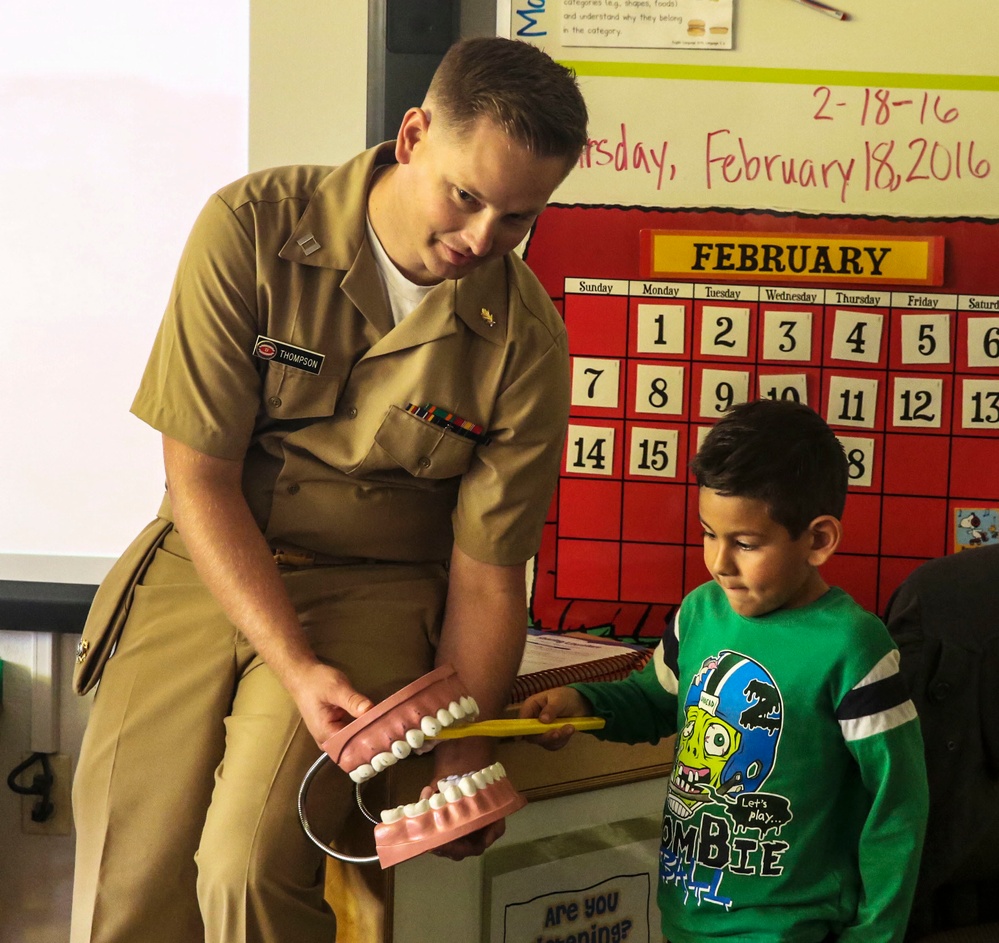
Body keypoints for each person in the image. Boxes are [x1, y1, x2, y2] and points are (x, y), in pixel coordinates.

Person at [70, 37, 588, 943]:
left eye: (517, 219)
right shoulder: (253, 225)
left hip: (372, 589)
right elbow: (198, 474)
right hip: (206, 554)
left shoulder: (527, 344)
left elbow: (486, 574)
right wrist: (290, 659)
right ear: (414, 134)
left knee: (247, 866)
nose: (480, 240)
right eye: (465, 196)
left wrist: (463, 744)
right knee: (130, 878)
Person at [521, 400, 929, 943]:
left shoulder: (853, 645)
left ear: (818, 540)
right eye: (709, 533)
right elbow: (657, 700)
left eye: (745, 543)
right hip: (687, 919)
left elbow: (897, 803)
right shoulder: (699, 613)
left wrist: (874, 935)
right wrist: (586, 704)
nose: (719, 561)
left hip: (791, 930)